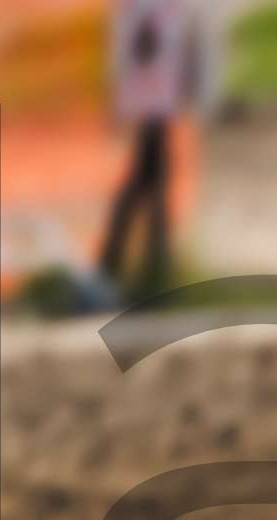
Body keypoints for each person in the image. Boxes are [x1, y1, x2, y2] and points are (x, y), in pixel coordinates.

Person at [97, 0, 213, 301]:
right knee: (150, 185)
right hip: (153, 105)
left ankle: (124, 266)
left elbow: (183, 54)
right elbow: (132, 54)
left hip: (154, 105)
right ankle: (147, 269)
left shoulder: (148, 10)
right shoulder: (150, 10)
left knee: (144, 183)